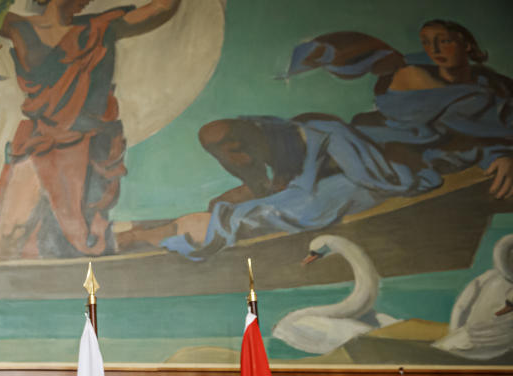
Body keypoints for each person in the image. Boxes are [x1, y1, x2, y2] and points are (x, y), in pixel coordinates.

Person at [159, 20, 513, 259]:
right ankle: (234, 210)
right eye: (427, 42)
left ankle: (227, 223)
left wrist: (497, 152)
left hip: (401, 156)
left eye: (445, 40)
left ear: (466, 42)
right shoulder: (413, 74)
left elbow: (484, 130)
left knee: (317, 193)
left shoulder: (488, 90)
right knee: (310, 146)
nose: (436, 48)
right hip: (373, 146)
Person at [0, 0, 179, 260]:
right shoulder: (18, 27)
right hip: (40, 140)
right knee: (10, 231)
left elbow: (163, 8)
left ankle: (145, 236)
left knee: (78, 237)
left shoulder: (100, 27)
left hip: (87, 147)